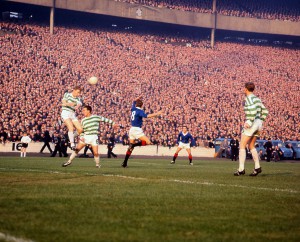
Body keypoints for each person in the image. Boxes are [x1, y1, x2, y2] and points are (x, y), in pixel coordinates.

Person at [234, 82, 269, 176]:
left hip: (252, 123)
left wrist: (249, 122)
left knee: (242, 145)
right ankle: (257, 167)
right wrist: (260, 121)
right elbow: (265, 111)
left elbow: (253, 111)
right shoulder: (257, 99)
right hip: (258, 123)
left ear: (245, 89)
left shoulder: (248, 98)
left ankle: (241, 169)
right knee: (251, 146)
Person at [121, 97, 163, 168]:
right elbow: (147, 116)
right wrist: (157, 113)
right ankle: (134, 145)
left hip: (131, 129)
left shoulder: (133, 109)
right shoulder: (140, 111)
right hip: (137, 129)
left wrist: (138, 98)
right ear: (142, 105)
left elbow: (134, 100)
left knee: (130, 148)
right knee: (148, 142)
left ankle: (125, 163)